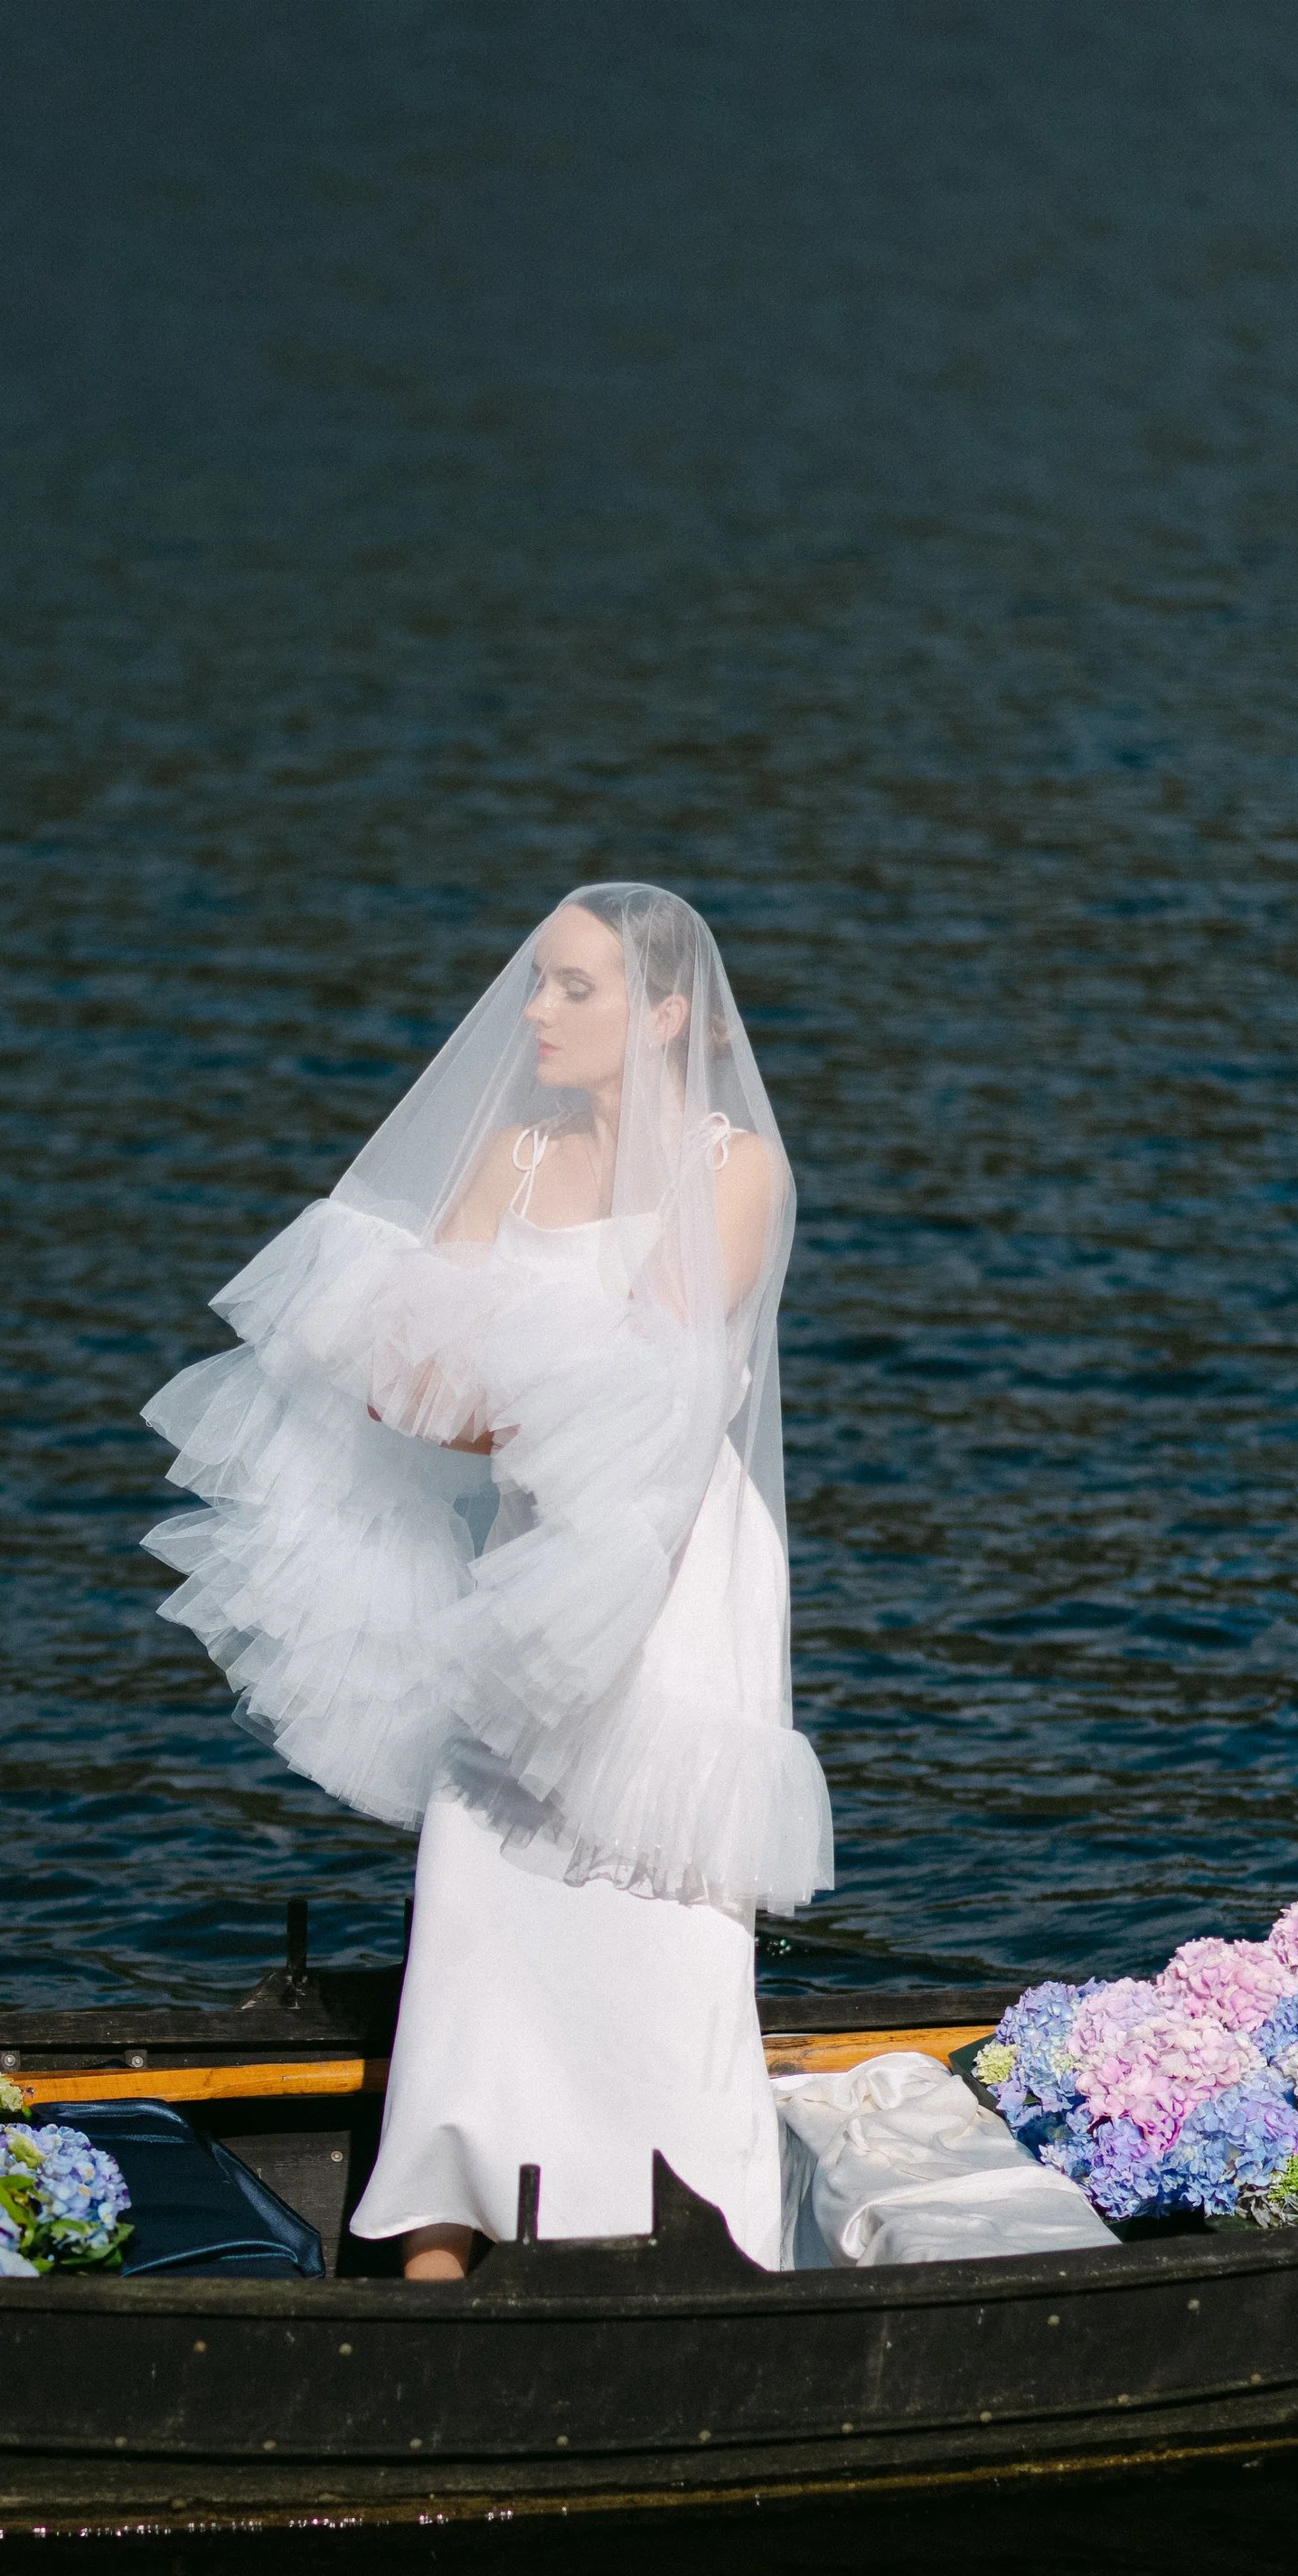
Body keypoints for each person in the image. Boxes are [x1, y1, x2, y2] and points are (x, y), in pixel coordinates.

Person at [142, 883, 832, 2278]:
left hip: (671, 1562)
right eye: (536, 983)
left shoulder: (731, 1167)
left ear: (666, 1012)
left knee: (657, 1889)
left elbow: (659, 1386)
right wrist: (496, 1389)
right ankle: (439, 2219)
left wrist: (494, 1378)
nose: (534, 1012)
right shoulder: (511, 1156)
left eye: (575, 988)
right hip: (535, 1551)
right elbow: (401, 1380)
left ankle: (693, 2208)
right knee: (478, 1872)